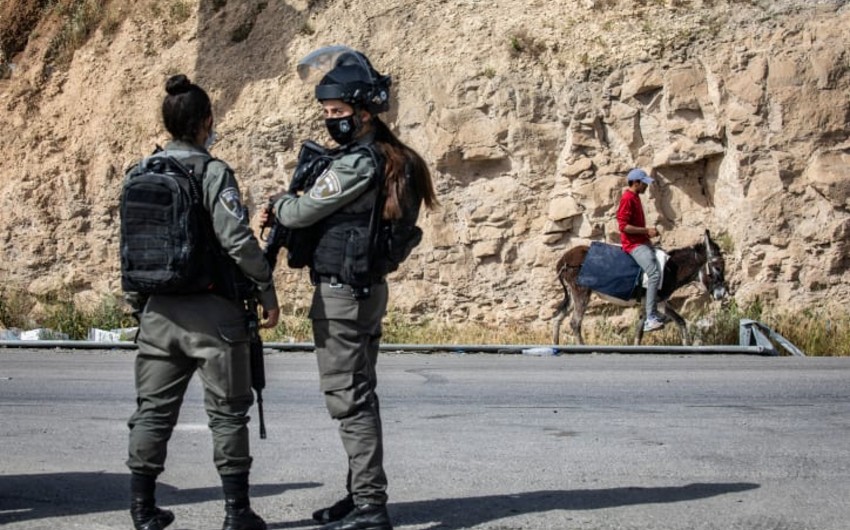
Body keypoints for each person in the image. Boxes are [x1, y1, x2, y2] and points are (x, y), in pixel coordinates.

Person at [262, 47, 437, 530]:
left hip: (342, 296)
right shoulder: (397, 159)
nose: (329, 120)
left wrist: (280, 203)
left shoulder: (359, 163)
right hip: (366, 290)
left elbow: (301, 212)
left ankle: (370, 507)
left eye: (337, 112)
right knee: (361, 396)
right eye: (326, 112)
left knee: (349, 399)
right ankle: (357, 494)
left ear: (363, 114)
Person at [124, 74, 280, 530]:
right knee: (228, 413)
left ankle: (142, 509)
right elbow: (236, 239)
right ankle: (236, 514)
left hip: (157, 312)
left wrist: (140, 307)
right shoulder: (214, 173)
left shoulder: (140, 173)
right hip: (215, 316)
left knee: (151, 412)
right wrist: (266, 288)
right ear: (206, 122)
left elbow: (131, 247)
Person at [617, 167, 666, 332]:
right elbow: (623, 227)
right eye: (644, 183)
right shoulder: (627, 198)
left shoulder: (636, 197)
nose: (646, 186)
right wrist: (646, 231)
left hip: (641, 242)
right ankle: (650, 317)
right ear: (636, 183)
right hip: (633, 245)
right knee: (653, 273)